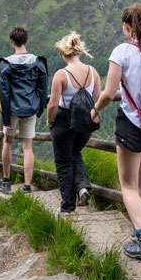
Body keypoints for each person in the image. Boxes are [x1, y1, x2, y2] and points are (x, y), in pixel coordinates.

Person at [91, 4, 141, 265]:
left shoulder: (121, 52)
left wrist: (96, 108)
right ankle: (140, 232)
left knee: (129, 185)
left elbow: (110, 93)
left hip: (132, 123)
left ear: (126, 27)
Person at [46, 31, 101, 213]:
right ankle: (82, 187)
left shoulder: (61, 75)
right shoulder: (93, 72)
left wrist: (50, 121)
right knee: (75, 153)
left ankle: (68, 206)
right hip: (85, 123)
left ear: (64, 53)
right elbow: (97, 99)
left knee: (63, 163)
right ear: (78, 52)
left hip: (63, 121)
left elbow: (53, 104)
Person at [0, 26, 48, 194]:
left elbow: (3, 92)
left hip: (11, 110)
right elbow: (42, 89)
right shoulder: (38, 62)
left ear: (12, 42)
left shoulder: (6, 63)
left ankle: (6, 181)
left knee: (8, 143)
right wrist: (39, 110)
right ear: (26, 41)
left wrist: (5, 118)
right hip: (31, 109)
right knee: (28, 147)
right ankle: (27, 186)